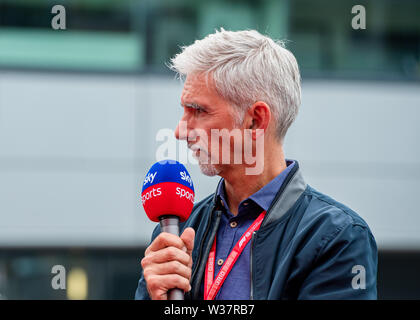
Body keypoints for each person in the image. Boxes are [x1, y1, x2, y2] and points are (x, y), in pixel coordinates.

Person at [135, 29, 377, 300]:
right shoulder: (177, 231)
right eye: (184, 110)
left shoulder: (337, 238)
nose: (180, 131)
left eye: (198, 111)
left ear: (255, 120)